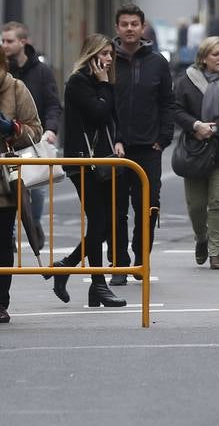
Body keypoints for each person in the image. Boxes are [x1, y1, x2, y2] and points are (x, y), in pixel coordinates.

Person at [51, 35, 125, 308]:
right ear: (90, 55)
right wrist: (105, 86)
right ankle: (98, 285)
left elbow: (114, 116)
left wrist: (119, 140)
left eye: (110, 54)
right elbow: (97, 113)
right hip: (83, 163)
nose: (108, 59)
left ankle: (68, 266)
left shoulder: (102, 83)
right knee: (98, 222)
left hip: (103, 162)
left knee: (103, 224)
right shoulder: (79, 82)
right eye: (103, 53)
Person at [111, 4, 174, 287]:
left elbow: (167, 102)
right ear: (117, 28)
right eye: (124, 24)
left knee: (149, 207)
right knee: (117, 209)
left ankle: (141, 259)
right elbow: (103, 104)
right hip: (116, 148)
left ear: (143, 27)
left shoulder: (158, 62)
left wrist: (164, 138)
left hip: (149, 147)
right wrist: (113, 138)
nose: (129, 29)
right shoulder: (107, 59)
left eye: (134, 24)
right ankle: (120, 265)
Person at [172, 37, 219, 271]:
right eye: (216, 54)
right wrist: (195, 125)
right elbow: (175, 109)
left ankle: (215, 252)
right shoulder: (186, 82)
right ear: (204, 58)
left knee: (217, 202)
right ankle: (201, 238)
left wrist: (215, 127)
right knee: (196, 205)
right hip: (195, 151)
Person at [2, 21, 62, 227]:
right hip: (7, 150)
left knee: (35, 190)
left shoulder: (41, 71)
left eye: (9, 41)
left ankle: (33, 225)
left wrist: (50, 130)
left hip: (31, 142)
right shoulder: (4, 72)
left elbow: (53, 104)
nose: (5, 45)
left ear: (23, 42)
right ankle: (9, 237)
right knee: (7, 198)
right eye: (3, 41)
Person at [0, 57, 43, 323]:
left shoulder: (15, 88)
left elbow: (35, 131)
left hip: (4, 182)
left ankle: (1, 302)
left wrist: (12, 129)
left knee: (2, 242)